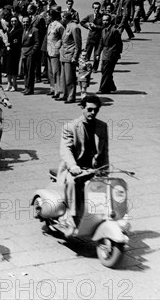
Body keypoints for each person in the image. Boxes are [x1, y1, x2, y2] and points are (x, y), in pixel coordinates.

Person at [56, 95, 108, 235]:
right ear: (82, 108)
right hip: (74, 168)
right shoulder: (70, 127)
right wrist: (73, 166)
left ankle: (97, 216)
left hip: (92, 168)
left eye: (95, 110)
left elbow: (104, 151)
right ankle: (70, 217)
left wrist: (105, 170)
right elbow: (65, 149)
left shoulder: (102, 126)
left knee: (104, 186)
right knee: (73, 182)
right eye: (89, 109)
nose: (92, 113)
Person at [58, 11, 82, 103]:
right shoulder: (67, 26)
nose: (61, 19)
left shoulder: (74, 27)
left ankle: (71, 96)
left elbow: (78, 44)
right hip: (64, 55)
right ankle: (64, 94)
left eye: (62, 17)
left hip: (70, 55)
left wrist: (75, 57)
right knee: (63, 78)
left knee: (69, 78)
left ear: (65, 17)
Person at [96, 14, 123, 94]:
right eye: (103, 20)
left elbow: (119, 44)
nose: (105, 22)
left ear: (110, 20)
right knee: (104, 70)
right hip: (105, 52)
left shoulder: (114, 30)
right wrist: (98, 53)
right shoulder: (103, 30)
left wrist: (117, 54)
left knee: (106, 71)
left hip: (111, 53)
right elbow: (101, 42)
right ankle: (111, 86)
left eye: (106, 20)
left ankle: (103, 89)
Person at [80, 2, 103, 72]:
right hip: (90, 38)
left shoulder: (102, 17)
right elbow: (82, 22)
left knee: (97, 54)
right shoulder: (90, 16)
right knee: (87, 53)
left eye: (98, 8)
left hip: (99, 39)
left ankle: (95, 68)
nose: (96, 10)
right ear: (93, 8)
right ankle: (87, 66)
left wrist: (96, 26)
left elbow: (104, 27)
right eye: (95, 8)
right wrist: (88, 27)